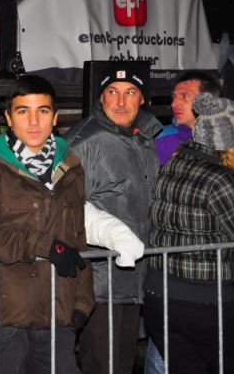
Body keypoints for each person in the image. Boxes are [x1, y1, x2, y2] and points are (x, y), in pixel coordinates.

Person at [0, 75, 94, 374]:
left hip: (59, 316)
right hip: (5, 319)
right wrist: (42, 244)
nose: (34, 121)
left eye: (42, 111)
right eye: (23, 111)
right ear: (9, 119)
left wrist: (83, 303)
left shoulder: (71, 168)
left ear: (55, 117)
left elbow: (79, 237)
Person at [65, 63, 162, 374]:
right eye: (113, 92)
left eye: (130, 92)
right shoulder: (85, 141)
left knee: (122, 362)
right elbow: (66, 210)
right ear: (101, 97)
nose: (121, 102)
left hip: (134, 276)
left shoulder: (143, 138)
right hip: (98, 282)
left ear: (142, 99)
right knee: (101, 363)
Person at [144, 92, 234, 374]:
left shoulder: (174, 164)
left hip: (158, 294)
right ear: (228, 142)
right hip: (205, 301)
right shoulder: (221, 178)